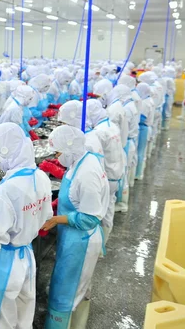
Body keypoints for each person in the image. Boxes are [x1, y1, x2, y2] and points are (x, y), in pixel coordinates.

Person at [0, 123, 52, 329]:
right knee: (22, 321)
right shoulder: (40, 176)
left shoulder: (6, 190)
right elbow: (45, 218)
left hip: (3, 267)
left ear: (7, 152)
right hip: (26, 260)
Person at [41, 125, 110, 329]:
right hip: (72, 237)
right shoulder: (82, 160)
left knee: (65, 292)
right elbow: (75, 196)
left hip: (81, 242)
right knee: (75, 290)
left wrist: (55, 219)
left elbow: (89, 218)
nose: (57, 156)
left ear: (69, 149)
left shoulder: (87, 173)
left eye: (58, 152)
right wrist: (57, 205)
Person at [85, 99, 125, 246]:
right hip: (116, 172)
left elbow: (94, 156)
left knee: (100, 211)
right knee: (109, 208)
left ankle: (100, 244)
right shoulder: (111, 125)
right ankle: (104, 241)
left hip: (107, 174)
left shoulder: (99, 132)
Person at [135, 83, 155, 180]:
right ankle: (139, 173)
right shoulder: (149, 100)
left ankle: (137, 174)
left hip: (143, 128)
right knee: (141, 152)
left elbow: (142, 118)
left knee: (139, 152)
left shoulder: (145, 103)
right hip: (147, 128)